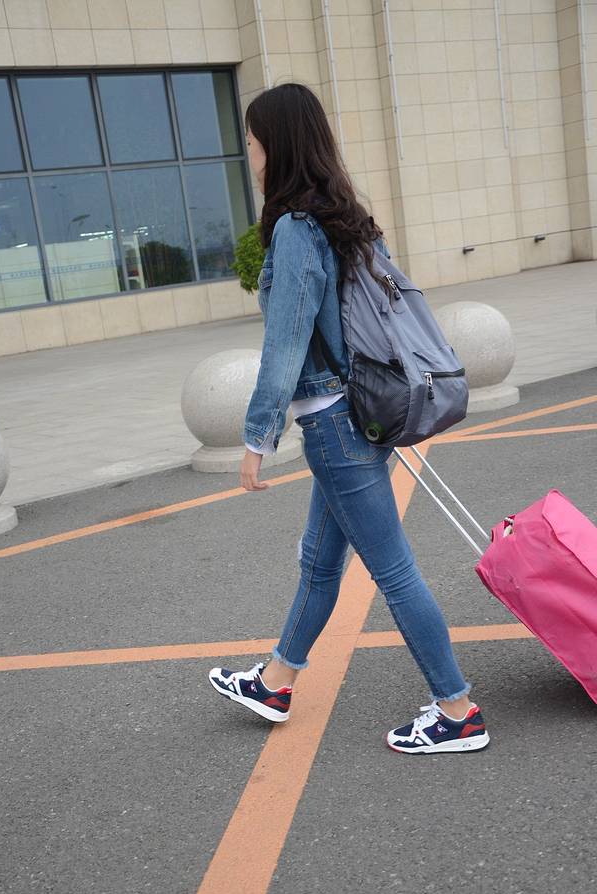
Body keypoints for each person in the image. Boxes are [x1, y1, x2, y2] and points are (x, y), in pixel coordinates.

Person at [209, 83, 489, 754]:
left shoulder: (296, 229)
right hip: (360, 414)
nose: (248, 154)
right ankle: (275, 682)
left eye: (251, 141)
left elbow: (285, 343)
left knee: (393, 572)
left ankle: (457, 711)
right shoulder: (344, 218)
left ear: (277, 145)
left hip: (336, 423)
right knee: (320, 562)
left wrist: (256, 438)